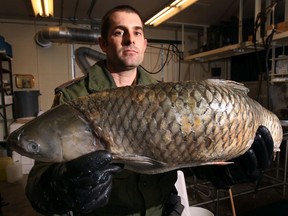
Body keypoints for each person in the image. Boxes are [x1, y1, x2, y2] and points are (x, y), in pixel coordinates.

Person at [25, 5, 275, 216]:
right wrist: (60, 187)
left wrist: (227, 170)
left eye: (137, 32)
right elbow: (38, 182)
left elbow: (193, 155)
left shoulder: (167, 98)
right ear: (102, 43)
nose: (130, 39)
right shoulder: (73, 99)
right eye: (119, 32)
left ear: (144, 43)